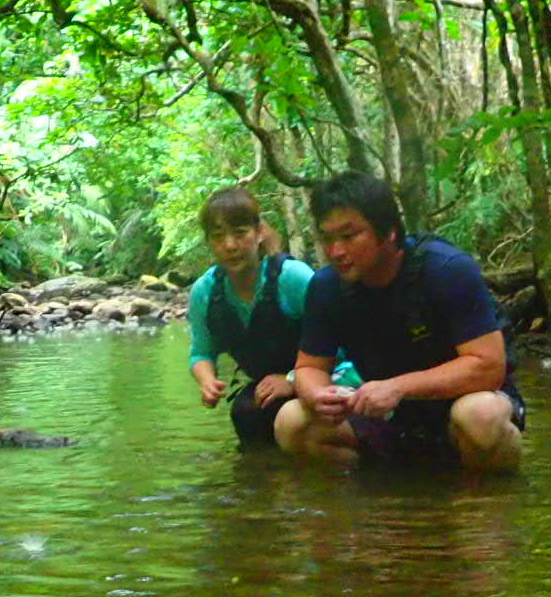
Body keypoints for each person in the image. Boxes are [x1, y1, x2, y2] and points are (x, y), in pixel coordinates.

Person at [275, 171, 525, 471]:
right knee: (292, 421)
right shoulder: (327, 287)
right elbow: (310, 368)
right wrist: (318, 395)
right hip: (390, 418)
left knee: (479, 415)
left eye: (349, 236)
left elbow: (489, 367)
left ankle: (477, 508)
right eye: (327, 238)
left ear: (389, 231)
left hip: (463, 407)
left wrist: (399, 387)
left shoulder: (446, 270)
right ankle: (374, 507)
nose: (335, 252)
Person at [186, 186, 314, 445]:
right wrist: (207, 380)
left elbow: (343, 348)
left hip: (327, 381)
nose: (230, 246)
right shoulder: (205, 292)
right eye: (218, 236)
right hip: (266, 392)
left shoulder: (293, 278)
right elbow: (201, 352)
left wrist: (293, 380)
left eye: (240, 233)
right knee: (246, 411)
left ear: (259, 233)